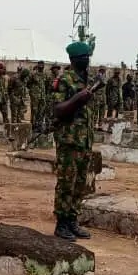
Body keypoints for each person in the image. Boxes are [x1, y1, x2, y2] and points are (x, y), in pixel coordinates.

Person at [51, 41, 97, 241]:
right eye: (82, 58)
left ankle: (72, 220)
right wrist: (77, 98)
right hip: (69, 140)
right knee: (66, 183)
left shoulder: (88, 80)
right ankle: (61, 223)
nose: (86, 61)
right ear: (73, 60)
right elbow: (58, 110)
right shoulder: (65, 80)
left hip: (84, 140)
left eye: (87, 57)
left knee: (80, 183)